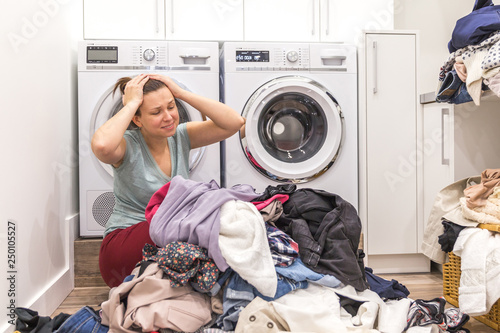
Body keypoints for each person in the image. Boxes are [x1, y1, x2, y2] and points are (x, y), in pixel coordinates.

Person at [92, 73, 245, 287]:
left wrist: (181, 93)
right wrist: (132, 103)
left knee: (211, 219)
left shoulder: (181, 136)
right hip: (125, 247)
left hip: (166, 244)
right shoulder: (126, 146)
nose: (168, 117)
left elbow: (234, 123)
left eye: (171, 107)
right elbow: (101, 146)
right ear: (137, 119)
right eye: (156, 112)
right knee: (190, 222)